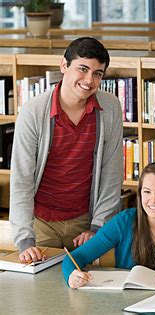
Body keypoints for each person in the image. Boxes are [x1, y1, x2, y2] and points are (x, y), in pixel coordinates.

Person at [9, 37, 123, 263]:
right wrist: (25, 239)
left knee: (85, 289)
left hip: (84, 222)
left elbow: (112, 172)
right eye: (83, 69)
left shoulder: (110, 107)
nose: (89, 80)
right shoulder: (33, 111)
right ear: (64, 66)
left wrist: (97, 227)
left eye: (97, 73)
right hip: (40, 223)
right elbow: (21, 178)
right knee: (42, 294)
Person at [63, 162, 155, 288]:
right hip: (128, 303)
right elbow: (76, 256)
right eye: (147, 192)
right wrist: (72, 275)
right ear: (140, 194)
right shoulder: (124, 221)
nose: (153, 200)